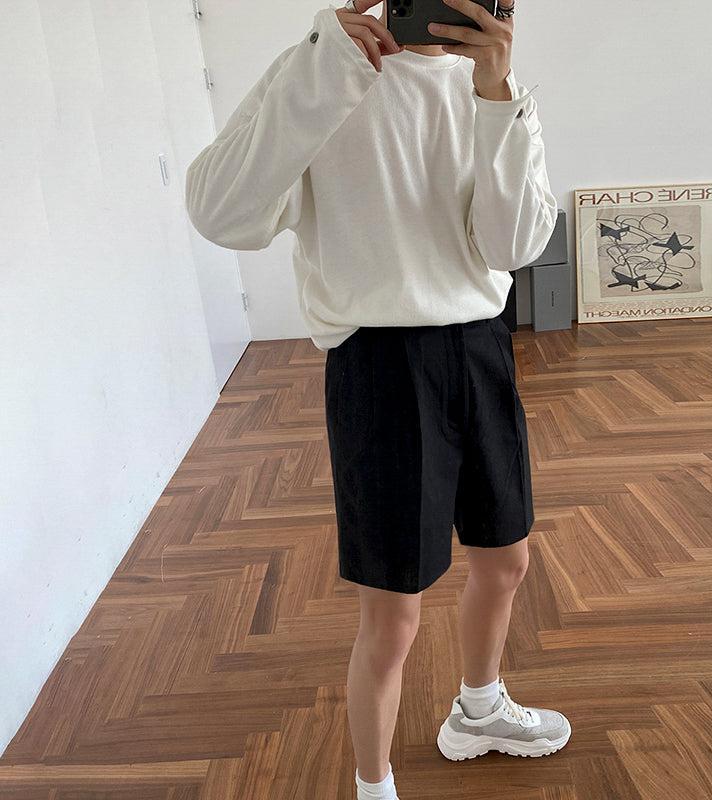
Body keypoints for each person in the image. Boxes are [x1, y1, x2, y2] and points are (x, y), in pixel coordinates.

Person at [185, 0, 570, 796]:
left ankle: (479, 710)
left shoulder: (491, 86)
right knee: (392, 613)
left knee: (507, 559)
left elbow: (513, 246)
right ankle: (373, 786)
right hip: (380, 363)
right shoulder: (323, 69)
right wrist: (325, 59)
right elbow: (222, 212)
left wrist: (497, 96)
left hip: (482, 345)